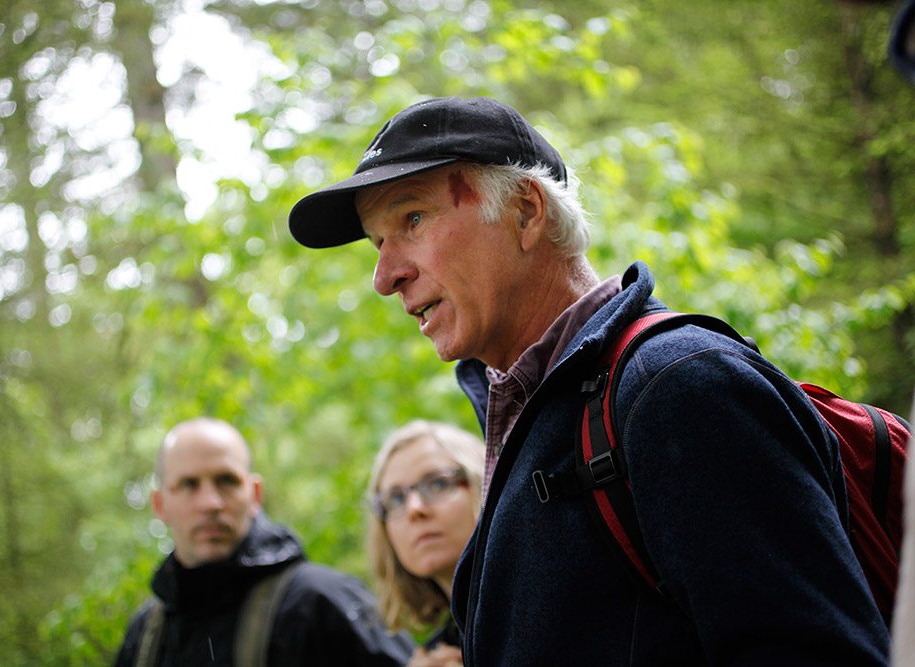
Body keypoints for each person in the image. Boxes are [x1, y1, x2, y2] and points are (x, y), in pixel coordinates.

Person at [287, 96, 892, 665]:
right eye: (377, 243)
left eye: (413, 219)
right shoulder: (542, 408)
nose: (384, 276)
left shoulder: (676, 386)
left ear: (526, 210)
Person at [113, 417, 415, 667]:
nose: (211, 502)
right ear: (159, 505)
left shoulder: (321, 603)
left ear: (255, 494)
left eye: (227, 481)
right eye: (189, 485)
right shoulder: (146, 635)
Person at [366, 420, 485, 667]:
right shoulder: (437, 652)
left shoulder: (549, 605)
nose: (414, 509)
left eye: (438, 483)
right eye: (396, 499)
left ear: (482, 485)